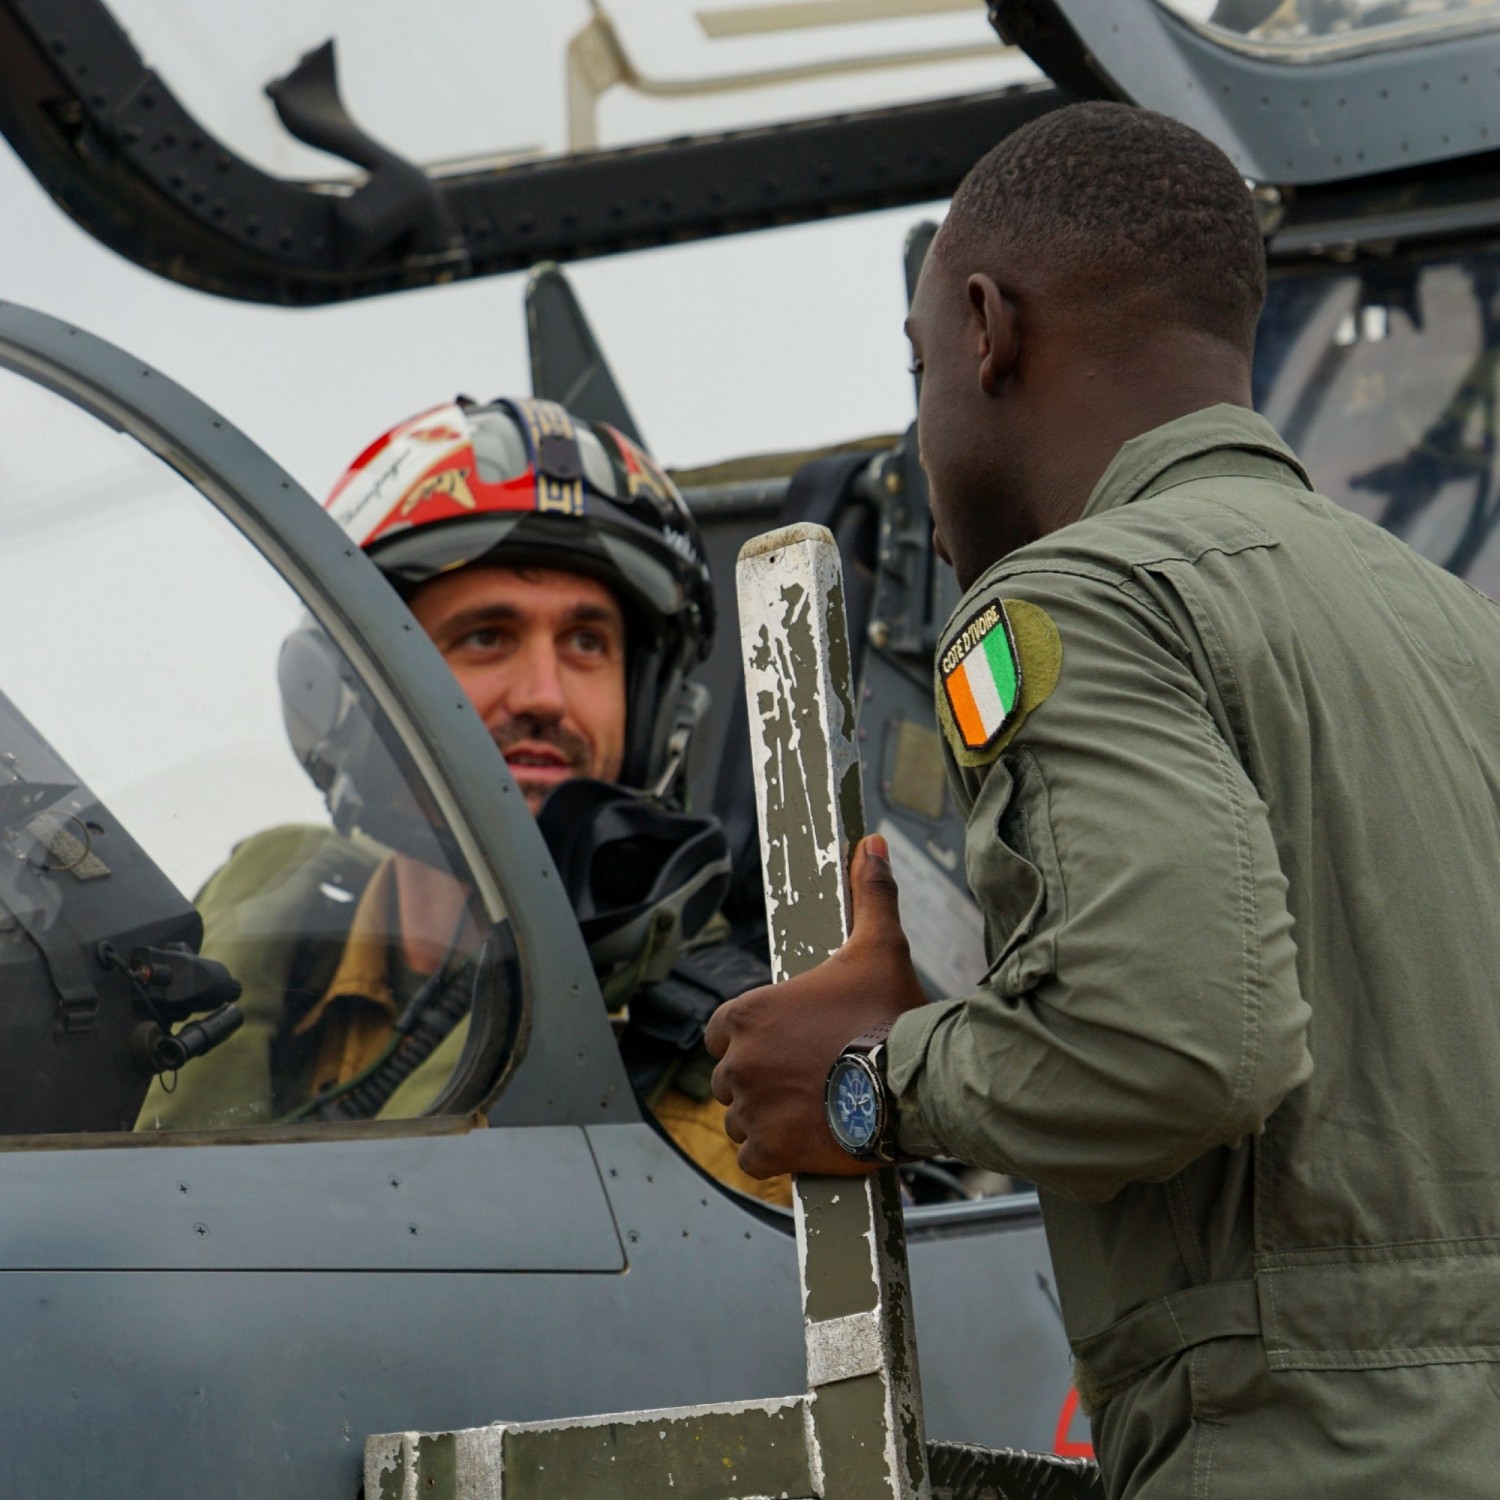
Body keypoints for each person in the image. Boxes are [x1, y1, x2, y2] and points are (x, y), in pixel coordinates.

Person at [705, 101, 1500, 1495]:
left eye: (919, 366)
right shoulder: (1452, 626)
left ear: (984, 328)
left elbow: (1177, 1044)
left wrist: (863, 1085)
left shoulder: (1071, 601)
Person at [139, 395, 789, 1208]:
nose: (545, 695)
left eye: (588, 643)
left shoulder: (739, 1089)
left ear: (657, 712)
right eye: (487, 635)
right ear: (345, 689)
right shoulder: (222, 966)